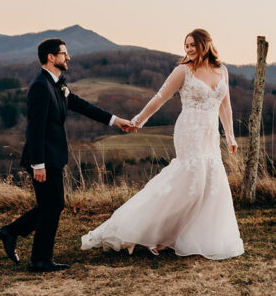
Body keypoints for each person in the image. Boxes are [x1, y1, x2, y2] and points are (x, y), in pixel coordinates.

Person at [81, 29, 244, 260]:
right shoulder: (183, 71)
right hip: (189, 131)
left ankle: (185, 235)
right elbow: (160, 97)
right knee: (191, 182)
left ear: (205, 45)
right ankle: (149, 231)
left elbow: (225, 106)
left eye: (193, 45)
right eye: (186, 45)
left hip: (210, 134)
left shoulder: (222, 70)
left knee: (210, 181)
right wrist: (139, 120)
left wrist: (230, 136)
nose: (188, 49)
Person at [0, 38, 135, 272]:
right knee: (53, 205)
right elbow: (35, 128)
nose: (68, 57)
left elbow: (82, 105)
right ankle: (37, 258)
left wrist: (114, 120)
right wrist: (38, 164)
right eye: (63, 53)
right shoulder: (40, 86)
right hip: (42, 158)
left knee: (51, 205)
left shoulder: (57, 83)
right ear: (51, 57)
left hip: (54, 156)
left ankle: (13, 234)